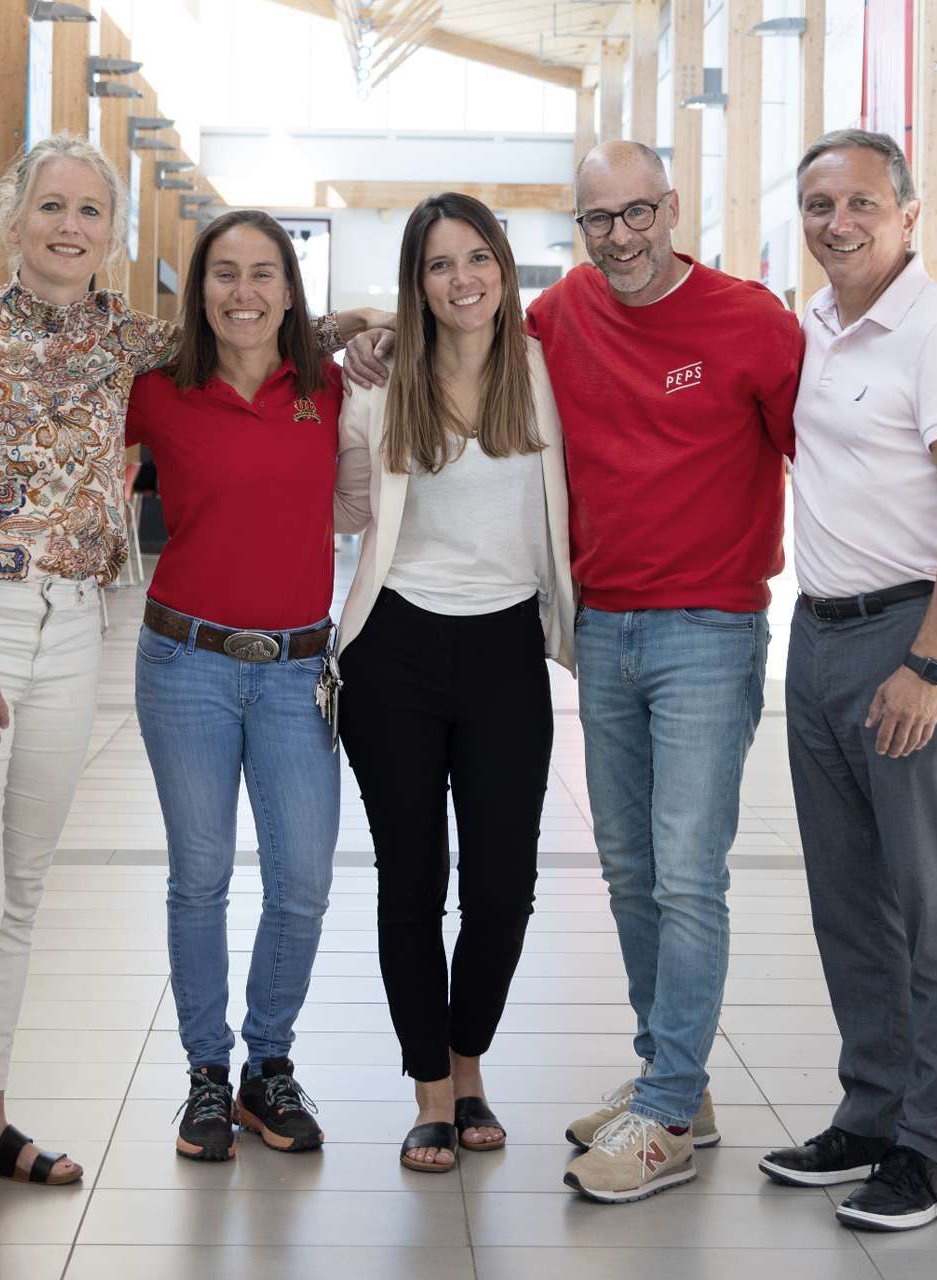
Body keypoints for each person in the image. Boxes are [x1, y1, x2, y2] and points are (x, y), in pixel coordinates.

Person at [0, 135, 377, 1229]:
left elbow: (261, 332)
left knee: (17, 896)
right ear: (13, 218)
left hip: (77, 634)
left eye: (88, 211)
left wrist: (343, 325)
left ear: (112, 233)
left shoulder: (125, 344)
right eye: (49, 206)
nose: (68, 226)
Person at [345, 141, 801, 1202]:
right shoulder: (554, 324)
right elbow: (380, 435)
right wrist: (357, 335)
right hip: (562, 634)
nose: (619, 236)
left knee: (659, 874)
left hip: (676, 627)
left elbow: (816, 444)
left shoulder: (721, 326)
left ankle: (665, 1099)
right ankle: (646, 1082)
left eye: (637, 212)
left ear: (670, 207)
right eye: (598, 220)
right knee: (625, 874)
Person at [758, 128, 937, 1233]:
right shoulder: (810, 326)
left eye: (859, 203)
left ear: (908, 216)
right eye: (817, 204)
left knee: (931, 911)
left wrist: (926, 662)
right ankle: (869, 1112)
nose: (836, 223)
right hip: (815, 637)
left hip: (909, 638)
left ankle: (931, 1149)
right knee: (849, 902)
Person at [330, 192, 573, 1174]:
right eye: (438, 264)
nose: (462, 278)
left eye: (478, 257)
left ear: (506, 268)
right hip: (393, 647)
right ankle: (432, 1086)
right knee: (411, 879)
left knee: (505, 884)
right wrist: (360, 336)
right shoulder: (380, 383)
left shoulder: (543, 371)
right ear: (414, 282)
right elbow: (350, 508)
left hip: (507, 645)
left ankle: (468, 1053)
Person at [126, 210, 346, 1162]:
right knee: (201, 879)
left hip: (299, 671)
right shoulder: (157, 391)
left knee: (301, 882)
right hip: (185, 666)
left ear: (291, 290)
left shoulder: (332, 387)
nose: (244, 292)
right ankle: (207, 1078)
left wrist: (363, 322)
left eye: (264, 274)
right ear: (198, 289)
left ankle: (270, 1065)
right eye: (224, 274)